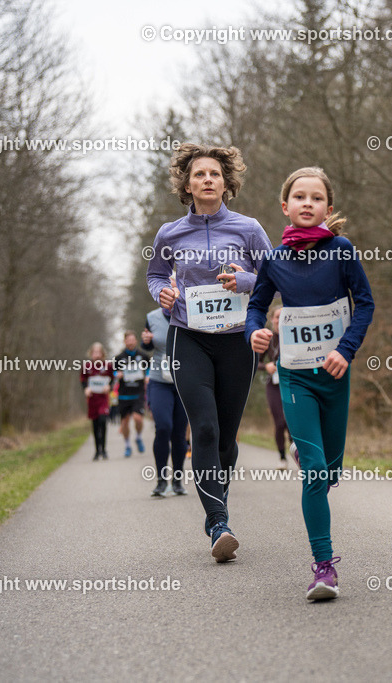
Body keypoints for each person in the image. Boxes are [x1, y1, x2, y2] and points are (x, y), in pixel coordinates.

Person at [247, 166, 374, 601]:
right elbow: (257, 306)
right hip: (295, 375)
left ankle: (311, 451)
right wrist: (256, 332)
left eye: (316, 198)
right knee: (316, 473)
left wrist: (346, 349)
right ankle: (324, 568)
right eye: (299, 197)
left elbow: (366, 305)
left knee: (330, 469)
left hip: (335, 373)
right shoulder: (274, 260)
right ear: (285, 206)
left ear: (328, 208)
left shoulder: (341, 250)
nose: (307, 203)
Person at [146, 143, 272, 563]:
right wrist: (162, 291)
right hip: (189, 337)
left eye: (215, 174)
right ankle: (218, 521)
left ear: (227, 182)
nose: (207, 180)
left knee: (226, 437)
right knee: (203, 429)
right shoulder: (170, 233)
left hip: (238, 339)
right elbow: (156, 272)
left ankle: (218, 493)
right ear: (187, 183)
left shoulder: (248, 227)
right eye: (199, 174)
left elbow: (275, 275)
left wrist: (248, 281)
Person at [142, 276, 189, 497]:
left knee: (179, 433)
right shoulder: (151, 317)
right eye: (166, 288)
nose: (171, 291)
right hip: (159, 380)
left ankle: (177, 480)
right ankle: (161, 480)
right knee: (163, 427)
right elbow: (147, 344)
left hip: (185, 380)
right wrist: (146, 341)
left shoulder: (191, 312)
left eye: (175, 287)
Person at [260, 306, 292, 468]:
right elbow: (256, 362)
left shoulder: (293, 334)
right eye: (277, 317)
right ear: (272, 319)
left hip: (292, 383)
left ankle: (297, 454)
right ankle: (282, 457)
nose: (279, 320)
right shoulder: (267, 338)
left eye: (283, 317)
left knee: (292, 422)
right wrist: (266, 366)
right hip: (273, 385)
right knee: (280, 422)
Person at [113, 331, 150, 458]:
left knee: (138, 418)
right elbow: (112, 372)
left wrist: (148, 376)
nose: (130, 342)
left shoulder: (143, 356)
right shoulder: (119, 358)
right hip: (124, 394)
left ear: (135, 341)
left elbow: (150, 368)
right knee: (124, 423)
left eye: (133, 340)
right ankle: (127, 445)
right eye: (128, 340)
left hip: (138, 393)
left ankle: (138, 437)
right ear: (125, 342)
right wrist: (117, 374)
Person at [80, 342, 114, 460]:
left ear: (102, 354)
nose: (97, 355)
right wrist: (86, 389)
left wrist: (109, 386)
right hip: (92, 399)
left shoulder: (108, 366)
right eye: (95, 352)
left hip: (103, 399)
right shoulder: (87, 366)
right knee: (95, 425)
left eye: (99, 352)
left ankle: (104, 450)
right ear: (91, 353)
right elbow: (83, 380)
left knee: (103, 421)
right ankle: (97, 450)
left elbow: (112, 379)